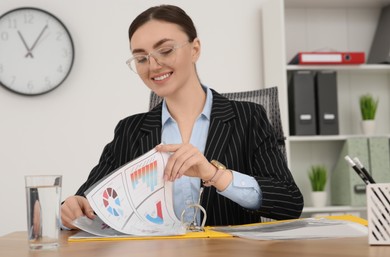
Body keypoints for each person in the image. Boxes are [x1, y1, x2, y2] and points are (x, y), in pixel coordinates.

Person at [61, 4, 303, 229]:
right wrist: (69, 211)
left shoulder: (248, 118)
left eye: (165, 50)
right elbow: (85, 204)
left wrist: (214, 174)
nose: (153, 65)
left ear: (195, 49)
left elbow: (290, 203)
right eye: (141, 58)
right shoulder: (130, 131)